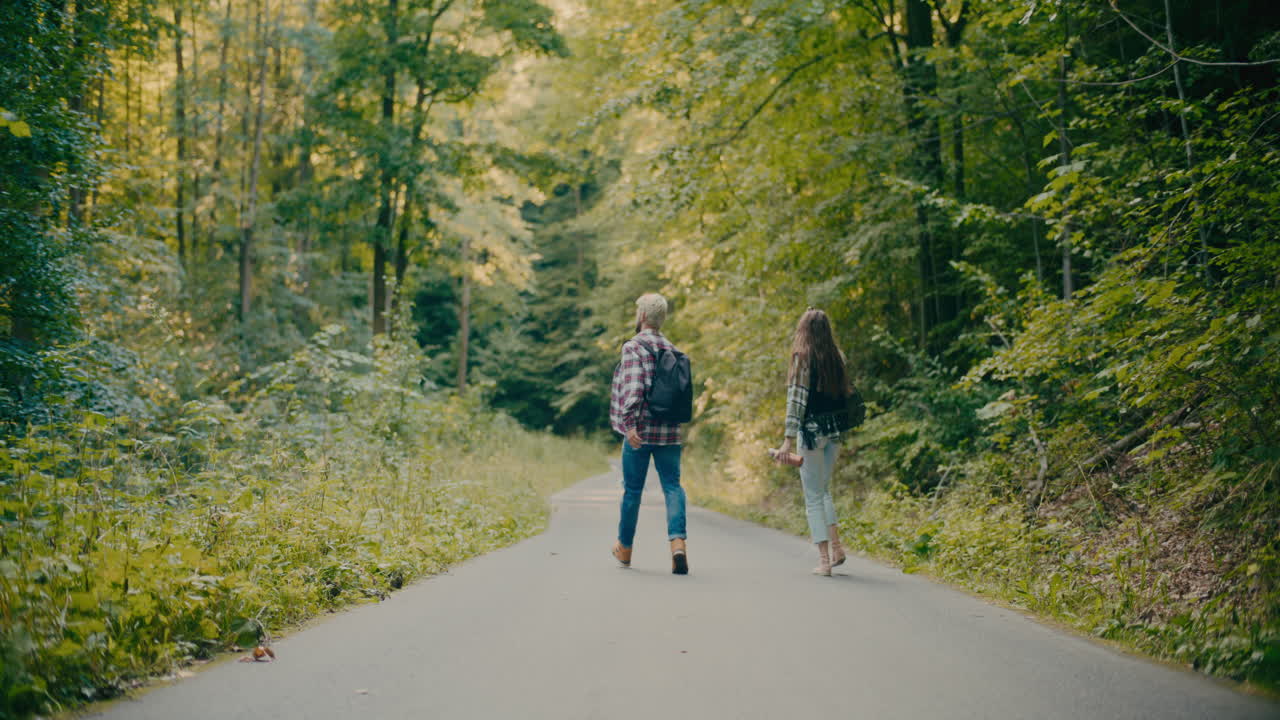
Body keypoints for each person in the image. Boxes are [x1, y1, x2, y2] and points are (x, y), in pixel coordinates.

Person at [609, 293, 689, 575]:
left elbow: (634, 389)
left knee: (632, 491)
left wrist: (629, 425)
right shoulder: (672, 349)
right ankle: (678, 544)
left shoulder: (634, 347)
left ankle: (625, 549)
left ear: (642, 316)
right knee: (672, 487)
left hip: (640, 432)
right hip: (670, 432)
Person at [773, 308, 851, 577]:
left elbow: (796, 401)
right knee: (823, 489)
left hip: (812, 433)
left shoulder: (802, 358)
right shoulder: (838, 357)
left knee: (813, 497)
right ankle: (838, 548)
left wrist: (787, 440)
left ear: (803, 330)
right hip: (835, 432)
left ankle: (824, 561)